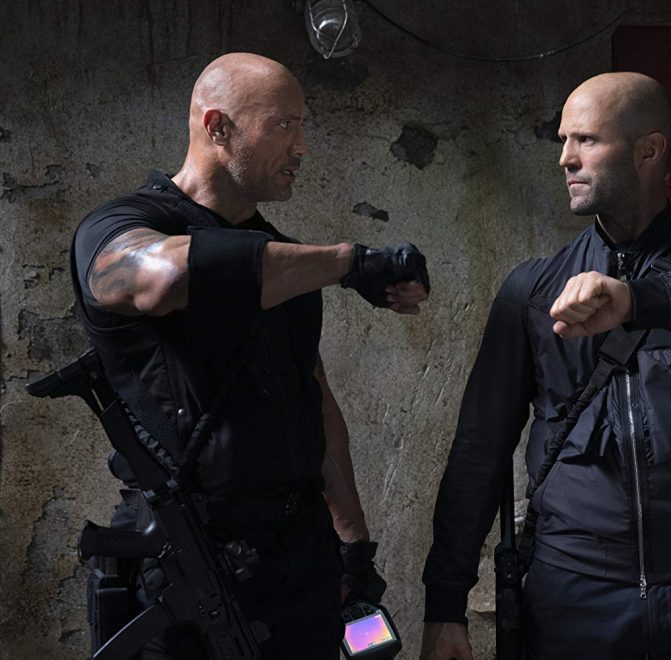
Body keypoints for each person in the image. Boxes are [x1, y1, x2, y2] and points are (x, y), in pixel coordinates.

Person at [420, 72, 671, 660]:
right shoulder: (534, 290)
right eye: (563, 140)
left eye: (585, 140)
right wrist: (445, 604)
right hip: (573, 596)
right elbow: (479, 452)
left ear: (649, 150)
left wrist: (641, 300)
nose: (565, 158)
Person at [71, 52, 429, 658]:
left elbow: (314, 405)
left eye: (302, 126)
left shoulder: (283, 257)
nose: (302, 147)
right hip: (185, 564)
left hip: (300, 560)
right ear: (218, 128)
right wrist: (350, 263)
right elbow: (160, 278)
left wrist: (353, 547)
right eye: (284, 125)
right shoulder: (120, 226)